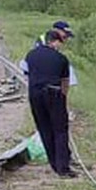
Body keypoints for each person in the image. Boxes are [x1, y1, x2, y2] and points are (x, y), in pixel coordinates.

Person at [24, 29, 76, 177]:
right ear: (55, 42)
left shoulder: (30, 55)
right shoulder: (61, 59)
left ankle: (53, 164)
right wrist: (63, 99)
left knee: (44, 129)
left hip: (34, 95)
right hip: (54, 93)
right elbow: (65, 82)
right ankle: (63, 168)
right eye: (60, 42)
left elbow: (27, 73)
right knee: (60, 130)